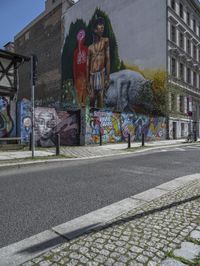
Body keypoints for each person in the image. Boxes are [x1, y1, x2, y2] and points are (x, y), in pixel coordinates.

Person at [87, 17, 110, 108]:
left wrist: (107, 76)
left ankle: (100, 120)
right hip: (92, 74)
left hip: (101, 72)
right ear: (95, 30)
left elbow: (108, 59)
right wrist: (87, 81)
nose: (102, 28)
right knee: (92, 97)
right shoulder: (90, 48)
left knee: (101, 96)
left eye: (103, 27)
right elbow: (87, 65)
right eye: (100, 27)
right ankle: (90, 119)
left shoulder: (106, 41)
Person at [73, 29, 88, 106]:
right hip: (82, 77)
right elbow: (74, 67)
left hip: (82, 77)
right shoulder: (85, 49)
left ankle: (82, 109)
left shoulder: (77, 51)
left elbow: (74, 68)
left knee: (81, 96)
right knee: (82, 96)